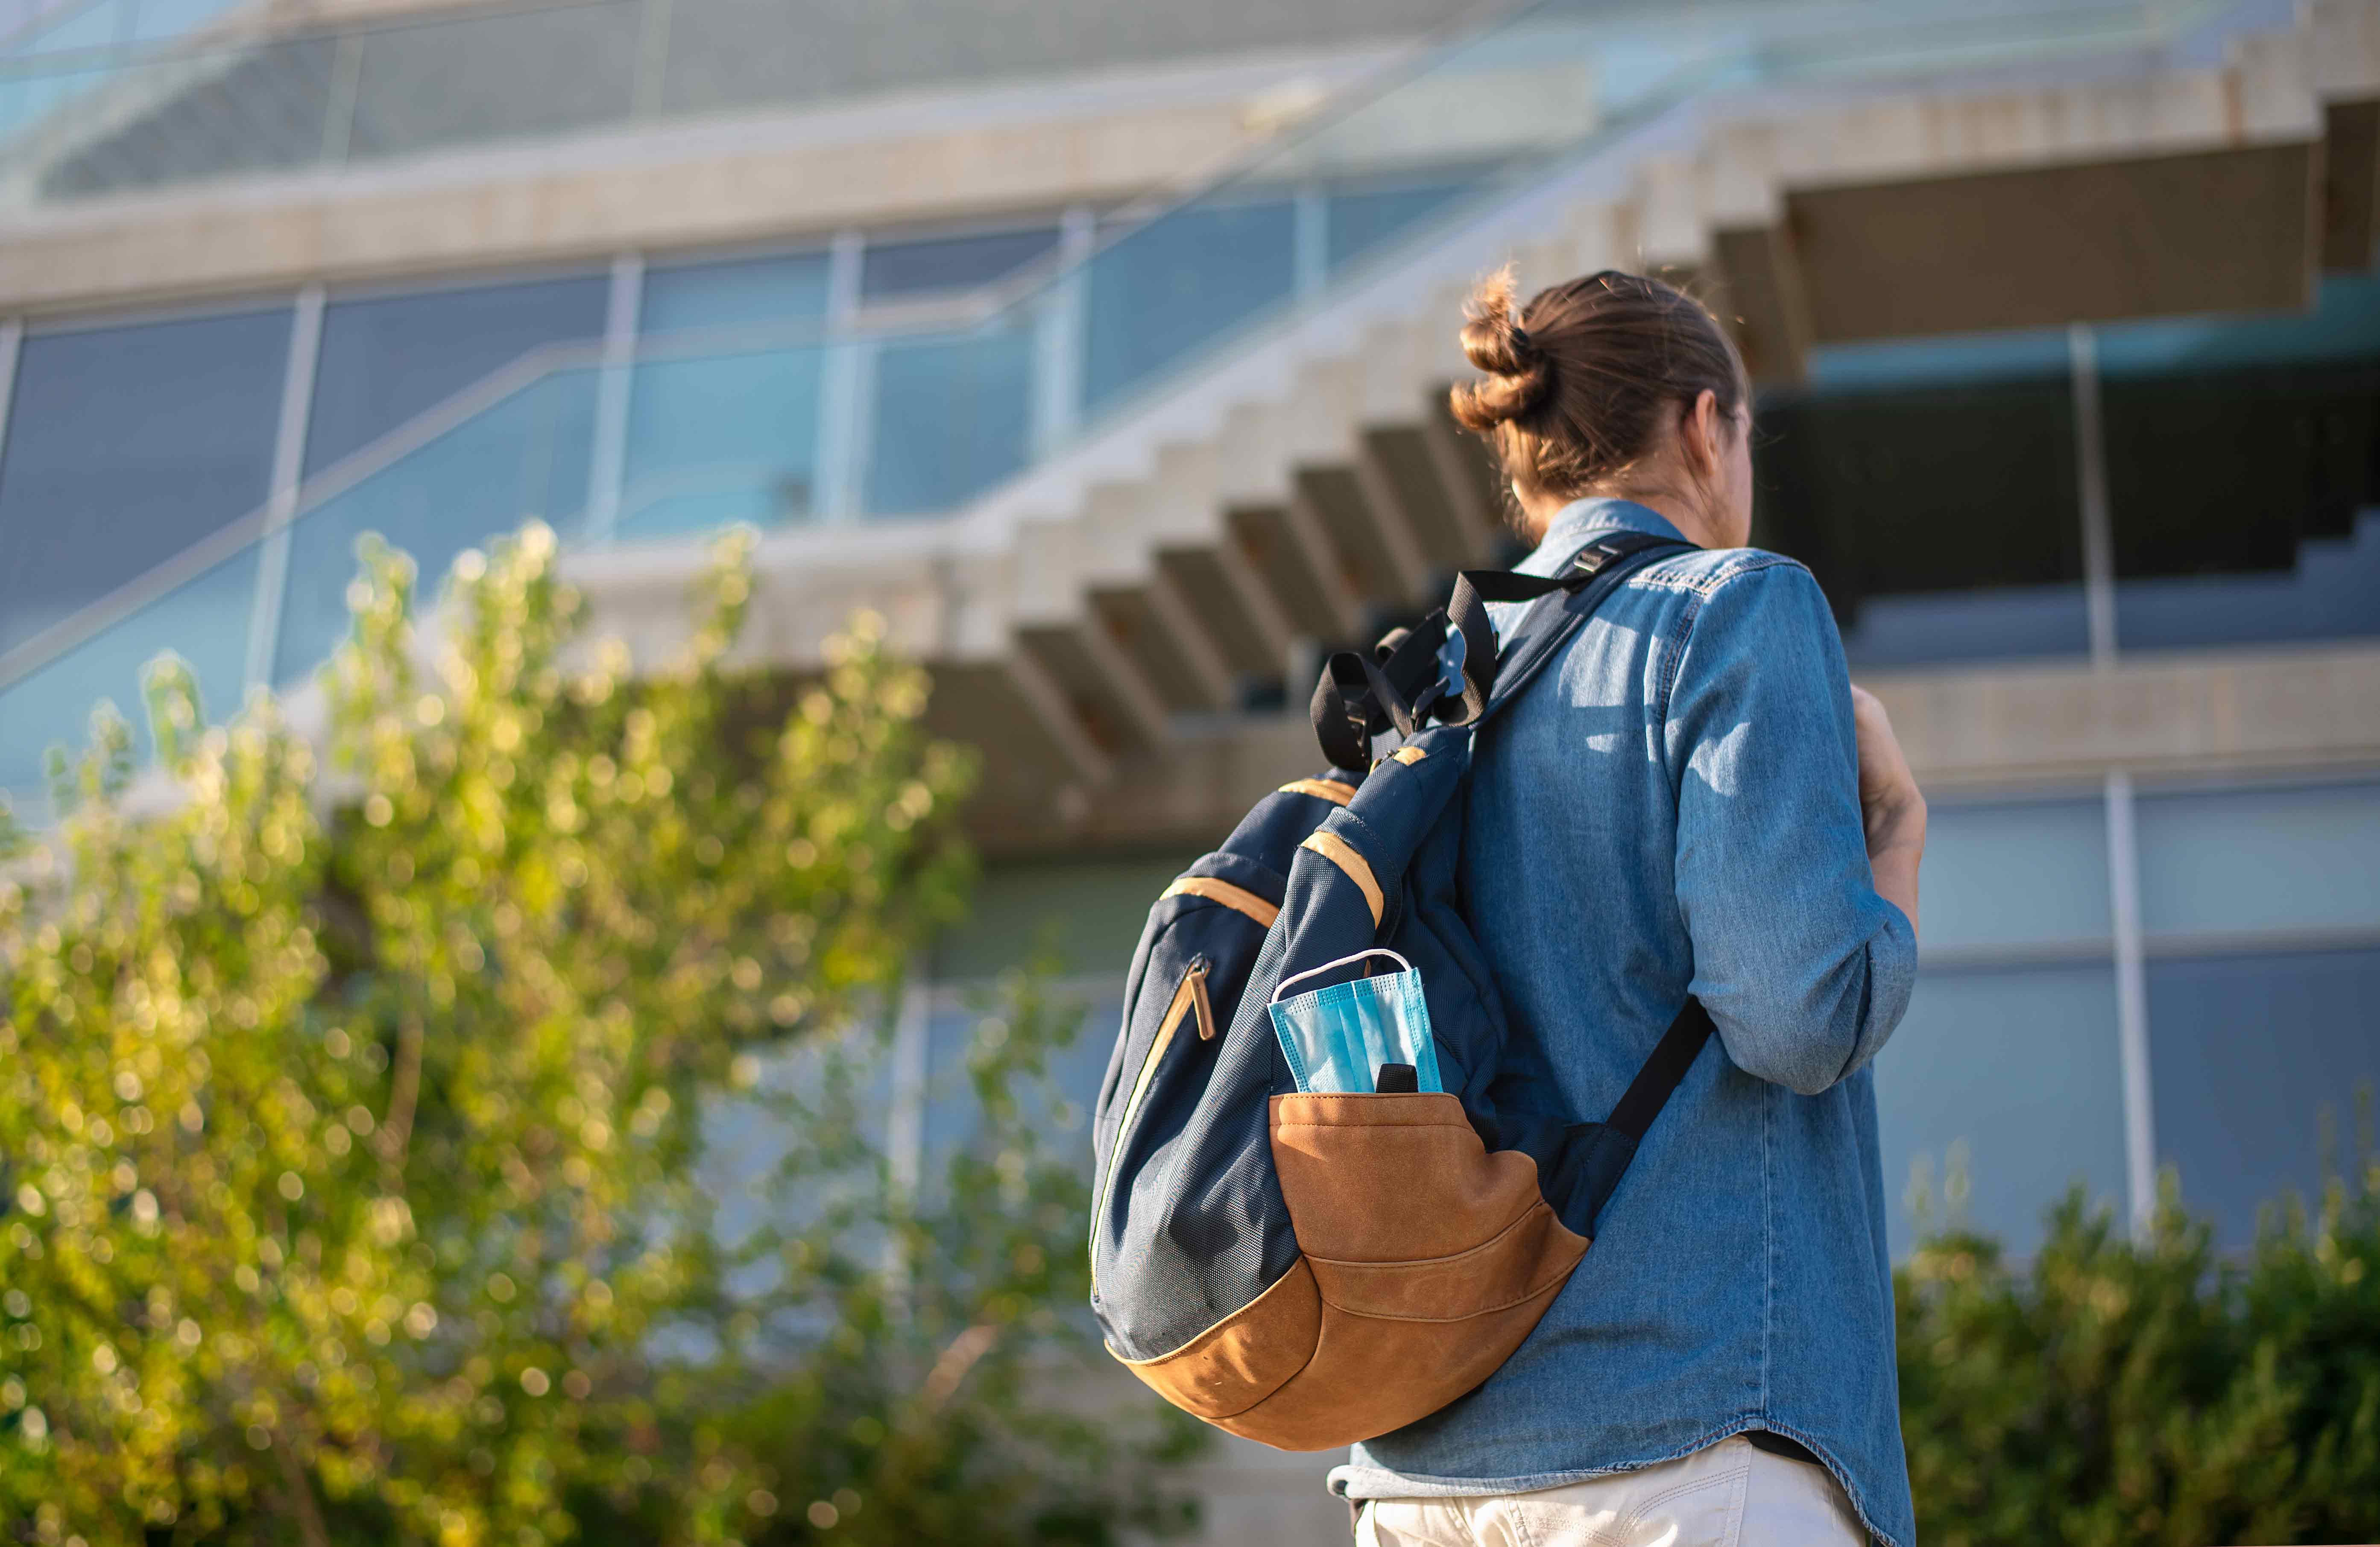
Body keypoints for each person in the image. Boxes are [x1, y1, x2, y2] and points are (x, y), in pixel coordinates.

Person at [1335, 268, 1928, 1547]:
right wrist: (1897, 846)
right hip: (1680, 1441)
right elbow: (1799, 1019)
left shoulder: (1432, 679)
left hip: (1421, 1464)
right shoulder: (1737, 606)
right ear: (1706, 427)